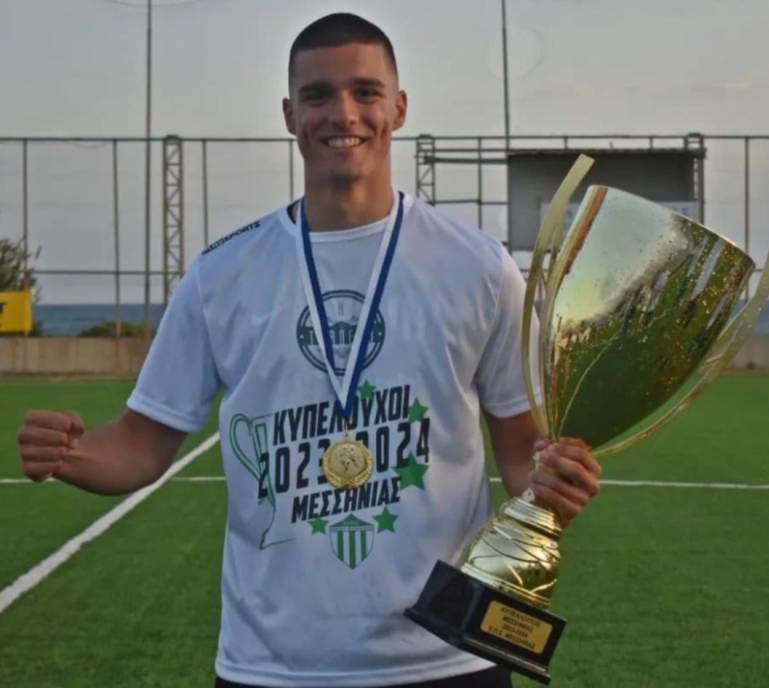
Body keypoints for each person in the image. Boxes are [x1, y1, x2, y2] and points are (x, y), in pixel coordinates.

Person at [17, 13, 601, 688]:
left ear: (398, 107)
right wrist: (70, 454)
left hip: (448, 656)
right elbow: (141, 446)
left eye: (365, 92)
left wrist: (552, 480)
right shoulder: (221, 276)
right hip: (274, 666)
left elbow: (520, 450)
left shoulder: (478, 267)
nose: (342, 113)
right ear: (290, 114)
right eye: (318, 95)